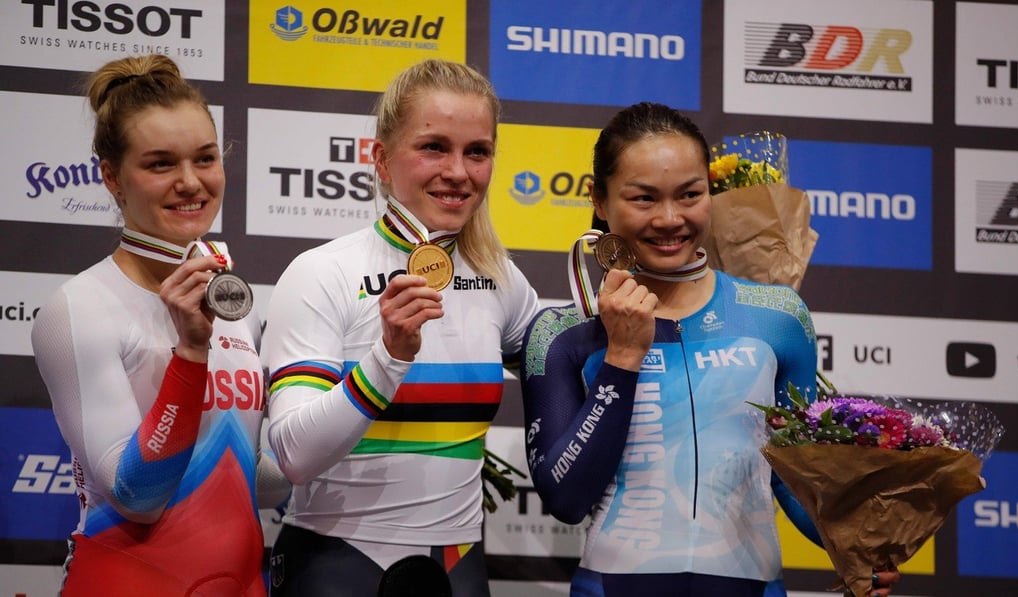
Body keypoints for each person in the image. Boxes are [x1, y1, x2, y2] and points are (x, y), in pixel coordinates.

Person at [519, 102, 900, 597]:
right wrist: (622, 360)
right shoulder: (563, 333)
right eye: (644, 199)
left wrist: (859, 547)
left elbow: (794, 476)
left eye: (690, 194)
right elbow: (565, 497)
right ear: (598, 199)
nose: (670, 218)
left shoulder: (778, 317)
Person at [260, 59, 539, 597]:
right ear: (382, 160)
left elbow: (568, 365)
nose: (458, 171)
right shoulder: (323, 273)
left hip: (459, 566)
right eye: (434, 147)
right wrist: (387, 357)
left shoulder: (500, 278)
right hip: (339, 563)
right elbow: (293, 456)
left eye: (476, 151)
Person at [30, 54, 290, 596]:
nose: (191, 183)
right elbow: (139, 495)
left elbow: (243, 474)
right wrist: (191, 353)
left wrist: (364, 403)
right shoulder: (79, 307)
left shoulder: (235, 301)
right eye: (160, 164)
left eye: (205, 158)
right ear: (111, 176)